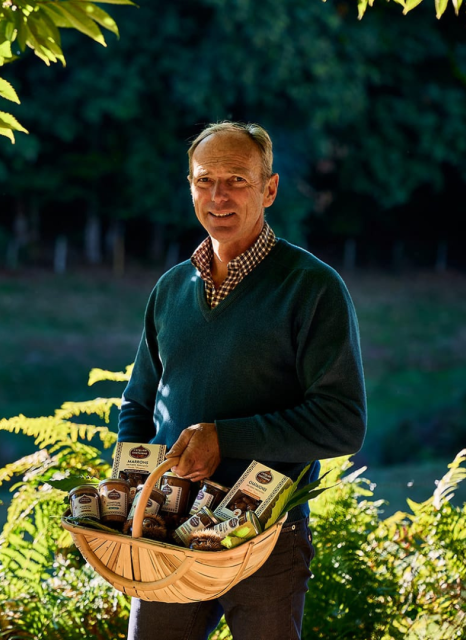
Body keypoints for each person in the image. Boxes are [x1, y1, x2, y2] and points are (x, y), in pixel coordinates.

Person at [117, 121, 366, 640]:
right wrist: (128, 500)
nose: (218, 196)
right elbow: (139, 405)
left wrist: (223, 437)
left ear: (269, 189)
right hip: (169, 536)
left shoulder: (313, 288)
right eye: (205, 180)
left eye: (236, 180)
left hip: (267, 539)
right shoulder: (170, 288)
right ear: (189, 186)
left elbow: (343, 425)